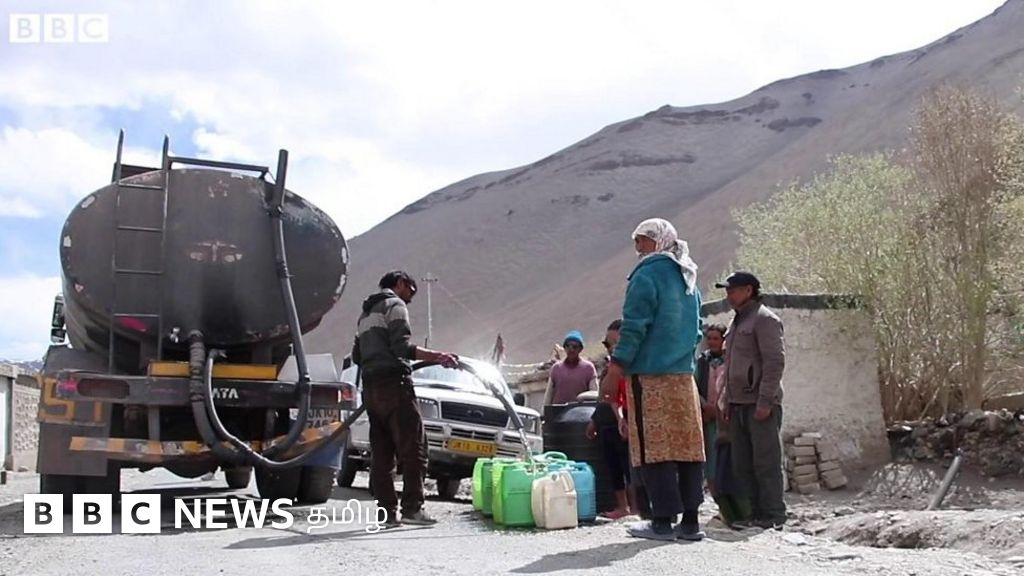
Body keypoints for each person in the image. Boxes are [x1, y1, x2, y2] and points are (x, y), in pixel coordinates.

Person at [601, 218, 706, 542]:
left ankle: (661, 520)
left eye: (643, 240)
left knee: (654, 447)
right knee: (688, 447)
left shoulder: (647, 275)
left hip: (649, 377)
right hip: (683, 376)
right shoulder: (688, 278)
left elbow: (634, 327)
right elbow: (696, 330)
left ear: (659, 242)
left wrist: (616, 368)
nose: (638, 247)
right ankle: (690, 522)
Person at [352, 270, 459, 527]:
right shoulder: (395, 305)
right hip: (395, 386)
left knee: (382, 454)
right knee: (414, 447)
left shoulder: (364, 315)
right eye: (411, 288)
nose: (411, 296)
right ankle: (412, 509)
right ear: (400, 283)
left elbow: (357, 356)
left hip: (371, 389)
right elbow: (402, 346)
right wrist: (437, 356)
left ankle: (386, 513)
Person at [717, 271, 787, 530]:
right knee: (743, 463)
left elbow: (774, 362)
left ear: (748, 290)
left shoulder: (765, 320)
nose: (728, 295)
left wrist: (765, 401)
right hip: (738, 404)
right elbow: (730, 366)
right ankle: (754, 513)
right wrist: (726, 400)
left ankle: (773, 514)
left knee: (765, 461)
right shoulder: (737, 323)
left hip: (759, 404)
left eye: (732, 290)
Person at [695, 324, 752, 527]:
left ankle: (736, 511)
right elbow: (694, 387)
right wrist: (705, 407)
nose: (712, 342)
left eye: (715, 339)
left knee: (728, 464)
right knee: (711, 466)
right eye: (709, 338)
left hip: (728, 420)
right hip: (708, 420)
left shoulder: (732, 362)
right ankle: (721, 506)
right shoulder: (702, 362)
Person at [586, 320, 634, 520]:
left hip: (624, 424)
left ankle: (636, 507)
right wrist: (594, 420)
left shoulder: (630, 367)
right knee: (613, 467)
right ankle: (622, 507)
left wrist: (623, 420)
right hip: (606, 424)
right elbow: (603, 398)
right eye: (607, 344)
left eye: (614, 342)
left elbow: (621, 398)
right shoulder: (609, 368)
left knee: (628, 467)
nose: (611, 348)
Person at [543, 331, 597, 405]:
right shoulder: (556, 368)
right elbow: (548, 395)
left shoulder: (588, 368)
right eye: (568, 346)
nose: (571, 349)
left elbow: (594, 395)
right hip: (559, 412)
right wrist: (545, 413)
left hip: (581, 411)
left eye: (575, 347)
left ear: (580, 349)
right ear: (564, 348)